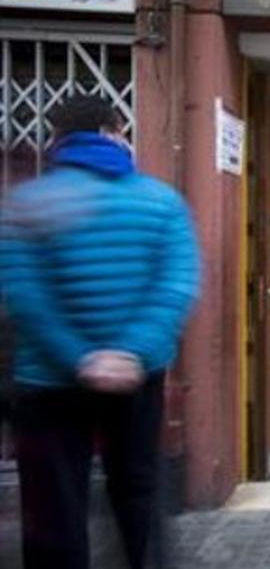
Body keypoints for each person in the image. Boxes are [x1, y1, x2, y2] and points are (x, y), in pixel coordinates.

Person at [0, 95, 200, 569]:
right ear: (114, 131)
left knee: (54, 510)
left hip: (48, 383)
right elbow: (176, 285)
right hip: (138, 381)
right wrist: (132, 352)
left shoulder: (30, 203)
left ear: (57, 139)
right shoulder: (161, 201)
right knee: (138, 493)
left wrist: (80, 359)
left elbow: (23, 295)